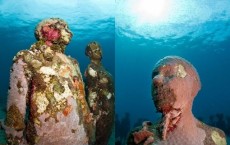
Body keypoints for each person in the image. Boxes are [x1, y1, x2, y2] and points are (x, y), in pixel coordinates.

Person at [3, 18, 95, 145]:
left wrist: (89, 132)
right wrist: (15, 139)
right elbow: (15, 109)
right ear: (45, 30)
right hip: (46, 138)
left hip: (80, 137)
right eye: (62, 27)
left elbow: (81, 100)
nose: (69, 32)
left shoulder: (73, 63)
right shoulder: (26, 58)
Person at [127, 56, 227, 145]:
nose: (155, 80)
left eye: (169, 74)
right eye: (154, 75)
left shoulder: (217, 138)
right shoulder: (137, 138)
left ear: (194, 86)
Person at [85, 41, 115, 145]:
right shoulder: (91, 69)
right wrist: (95, 113)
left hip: (109, 107)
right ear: (89, 53)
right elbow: (91, 92)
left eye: (100, 49)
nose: (99, 51)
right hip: (102, 111)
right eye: (95, 50)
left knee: (105, 137)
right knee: (100, 138)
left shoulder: (102, 68)